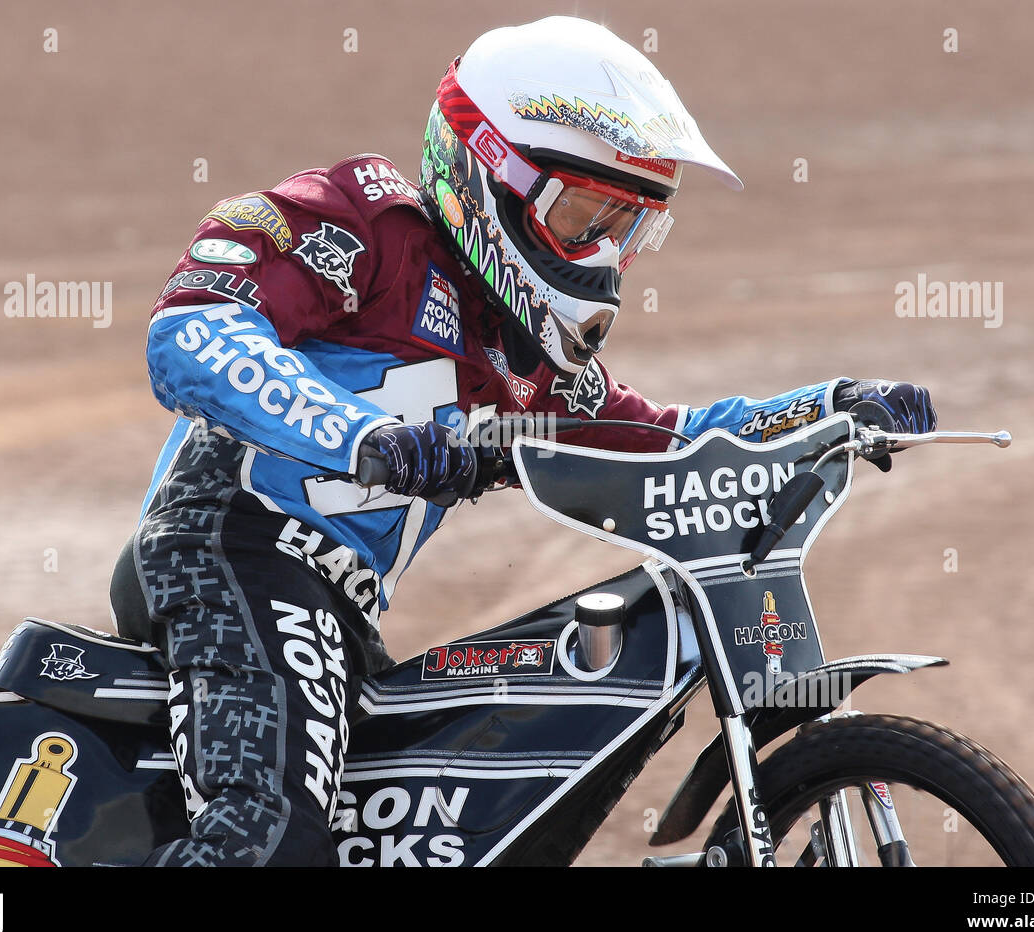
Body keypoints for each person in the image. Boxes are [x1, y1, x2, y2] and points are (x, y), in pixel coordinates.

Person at [110, 16, 936, 866]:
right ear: (487, 172)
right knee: (270, 842)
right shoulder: (363, 220)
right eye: (584, 216)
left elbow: (668, 441)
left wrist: (830, 408)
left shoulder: (524, 355)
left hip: (339, 609)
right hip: (227, 552)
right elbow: (192, 329)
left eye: (630, 225)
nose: (606, 252)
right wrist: (366, 437)